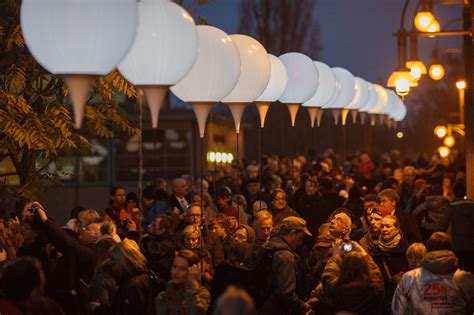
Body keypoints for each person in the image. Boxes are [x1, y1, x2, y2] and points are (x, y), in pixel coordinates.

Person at [392, 232, 474, 314]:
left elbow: (399, 310)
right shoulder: (465, 279)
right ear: (450, 248)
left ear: (428, 249)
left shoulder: (409, 277)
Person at [260, 216, 312, 314]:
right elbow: (286, 293)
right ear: (292, 233)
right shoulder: (286, 257)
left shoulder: (267, 246)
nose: (300, 243)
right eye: (300, 238)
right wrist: (303, 306)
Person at [90, 239, 154, 314]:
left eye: (114, 261)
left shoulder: (133, 286)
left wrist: (98, 309)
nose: (112, 266)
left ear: (124, 261)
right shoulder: (140, 278)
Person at [310, 250, 384, 314]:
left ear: (343, 269)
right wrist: (365, 255)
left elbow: (328, 275)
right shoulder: (375, 290)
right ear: (366, 269)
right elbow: (376, 274)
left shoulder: (334, 290)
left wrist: (335, 257)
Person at [428, 182, 474, 272]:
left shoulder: (452, 207)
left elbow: (440, 226)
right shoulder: (472, 206)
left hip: (457, 245)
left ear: (454, 193)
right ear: (465, 192)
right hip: (472, 245)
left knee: (457, 273)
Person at [155, 249, 211, 315]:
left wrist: (192, 283)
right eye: (174, 266)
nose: (176, 272)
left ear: (192, 271)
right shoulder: (163, 296)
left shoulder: (202, 294)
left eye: (182, 269)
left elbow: (196, 311)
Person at [370, 215, 410, 306]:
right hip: (381, 300)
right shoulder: (374, 251)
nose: (384, 229)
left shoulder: (406, 249)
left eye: (388, 226)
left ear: (397, 229)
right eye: (382, 226)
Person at [140, 215, 176, 282]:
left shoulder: (166, 245)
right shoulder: (157, 240)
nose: (149, 226)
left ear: (162, 230)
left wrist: (147, 239)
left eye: (154, 225)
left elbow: (151, 254)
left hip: (159, 281)